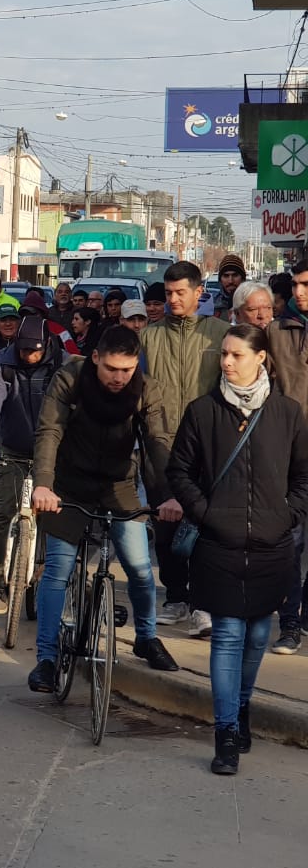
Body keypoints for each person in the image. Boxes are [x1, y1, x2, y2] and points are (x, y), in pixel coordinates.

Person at [166, 323, 308, 774]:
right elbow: (180, 471)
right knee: (227, 636)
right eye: (223, 355)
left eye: (236, 355)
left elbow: (303, 477)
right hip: (219, 544)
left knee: (258, 636)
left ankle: (242, 707)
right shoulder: (203, 411)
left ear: (260, 357)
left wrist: (287, 515)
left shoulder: (287, 413)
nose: (226, 363)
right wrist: (207, 513)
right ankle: (225, 730)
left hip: (272, 545)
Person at [27, 326, 182, 693]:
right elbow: (49, 431)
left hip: (119, 485)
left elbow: (157, 444)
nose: (118, 378)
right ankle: (46, 660)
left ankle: (146, 638)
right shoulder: (70, 378)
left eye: (126, 370)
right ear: (95, 358)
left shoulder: (146, 389)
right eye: (111, 368)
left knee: (141, 570)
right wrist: (44, 485)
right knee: (58, 571)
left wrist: (168, 496)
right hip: (68, 486)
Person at [140, 260, 228, 637]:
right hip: (159, 445)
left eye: (181, 293)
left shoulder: (220, 335)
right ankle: (176, 598)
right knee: (165, 527)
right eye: (169, 292)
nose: (173, 299)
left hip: (207, 445)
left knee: (205, 529)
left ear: (198, 292)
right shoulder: (149, 337)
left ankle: (203, 605)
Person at [0, 316, 65, 614]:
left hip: (53, 453)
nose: (29, 356)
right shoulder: (1, 364)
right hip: (12, 449)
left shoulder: (63, 364)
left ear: (46, 345)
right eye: (24, 350)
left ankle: (45, 576)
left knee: (52, 518)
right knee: (5, 512)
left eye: (35, 351)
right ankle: (0, 583)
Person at [266, 260, 308, 654]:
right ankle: (290, 624)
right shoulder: (276, 331)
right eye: (296, 284)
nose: (299, 292)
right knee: (291, 542)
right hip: (291, 453)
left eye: (306, 285)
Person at [213, 253, 246, 321]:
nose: (230, 281)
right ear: (220, 280)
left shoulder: (251, 302)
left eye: (235, 275)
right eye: (226, 276)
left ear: (243, 278)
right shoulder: (212, 305)